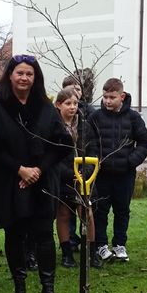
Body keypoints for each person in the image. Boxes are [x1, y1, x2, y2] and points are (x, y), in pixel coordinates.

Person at [0, 54, 70, 293]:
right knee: (15, 235)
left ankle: (48, 291)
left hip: (41, 182)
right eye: (20, 73)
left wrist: (38, 170)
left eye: (29, 74)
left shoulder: (45, 107)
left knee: (43, 235)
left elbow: (61, 143)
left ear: (35, 77)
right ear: (10, 75)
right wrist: (19, 170)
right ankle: (19, 288)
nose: (24, 78)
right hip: (10, 182)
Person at [87, 78, 147, 264]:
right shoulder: (95, 118)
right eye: (105, 97)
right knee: (100, 210)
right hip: (101, 174)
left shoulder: (133, 118)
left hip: (125, 174)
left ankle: (119, 245)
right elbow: (89, 143)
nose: (107, 101)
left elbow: (144, 142)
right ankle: (101, 245)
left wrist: (131, 161)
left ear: (121, 96)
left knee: (122, 210)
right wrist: (95, 163)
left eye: (112, 97)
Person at [54, 86, 95, 268]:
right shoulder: (54, 127)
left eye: (75, 103)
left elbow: (92, 150)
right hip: (63, 178)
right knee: (63, 214)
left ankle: (91, 252)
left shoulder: (85, 125)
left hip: (83, 178)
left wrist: (84, 173)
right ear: (58, 105)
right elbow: (52, 154)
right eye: (68, 103)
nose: (72, 107)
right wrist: (68, 173)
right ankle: (67, 253)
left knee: (87, 213)